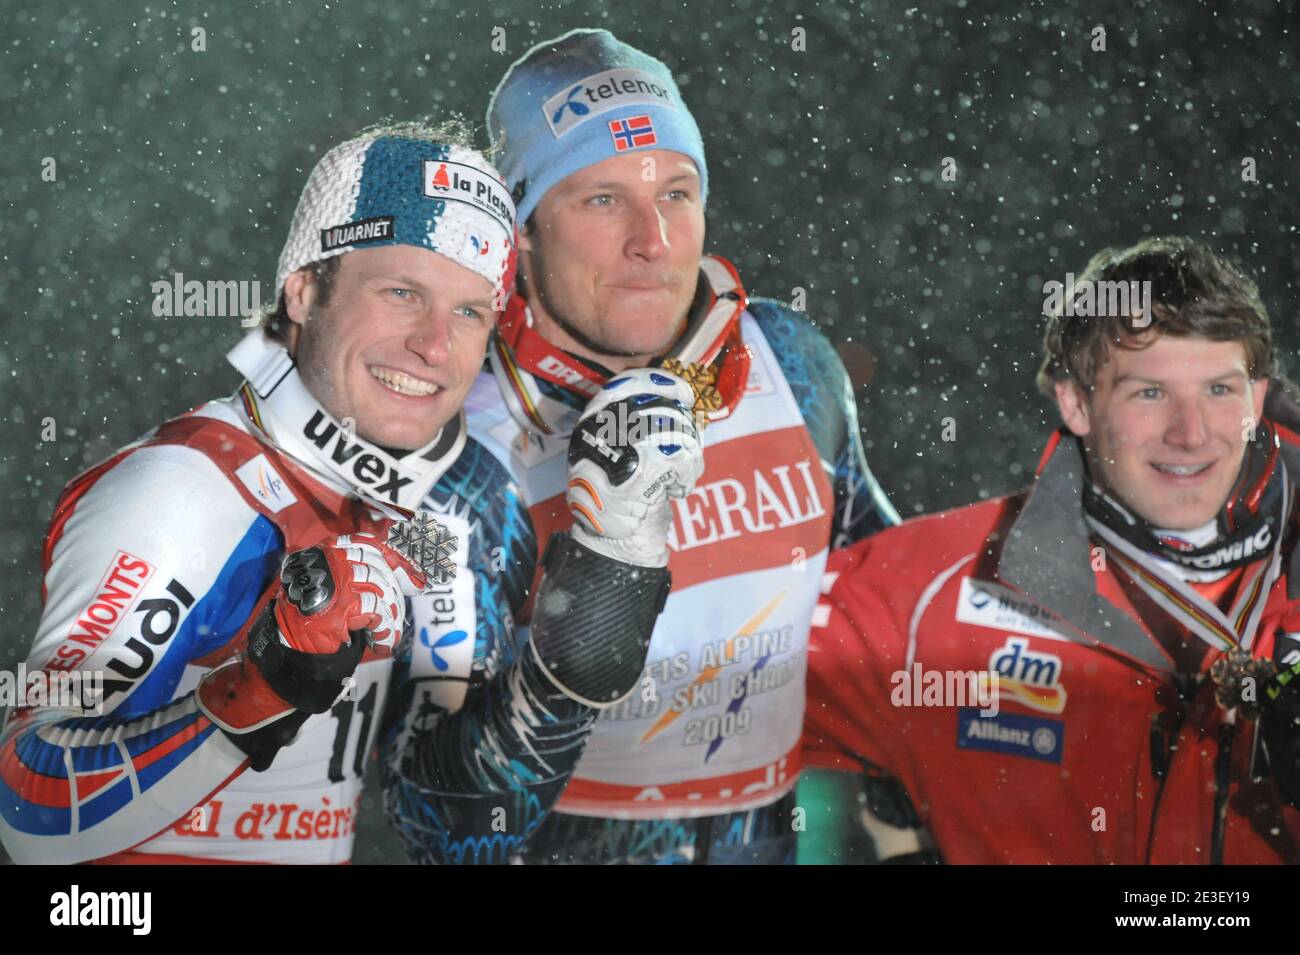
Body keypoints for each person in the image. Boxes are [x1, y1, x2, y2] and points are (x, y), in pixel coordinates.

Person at [0, 120, 698, 864]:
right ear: (302, 290)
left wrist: (611, 566)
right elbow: (29, 812)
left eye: (469, 311)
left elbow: (460, 817)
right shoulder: (184, 489)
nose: (436, 346)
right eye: (402, 292)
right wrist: (259, 690)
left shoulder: (438, 508)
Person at [383, 29, 897, 865]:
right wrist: (584, 628)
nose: (652, 241)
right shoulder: (452, 449)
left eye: (677, 193)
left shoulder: (788, 359)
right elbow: (441, 823)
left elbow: (886, 616)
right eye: (601, 199)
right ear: (519, 233)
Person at [803, 236, 1300, 864]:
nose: (1190, 432)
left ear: (1257, 398)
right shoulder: (929, 591)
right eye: (1150, 393)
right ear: (1076, 401)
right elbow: (685, 696)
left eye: (1220, 391)